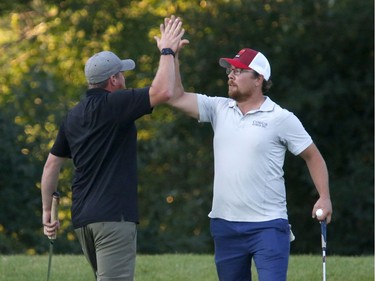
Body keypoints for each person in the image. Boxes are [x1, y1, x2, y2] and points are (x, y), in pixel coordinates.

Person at [168, 46, 333, 280]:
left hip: (268, 227)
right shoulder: (219, 108)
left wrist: (324, 196)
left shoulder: (280, 118)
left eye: (239, 70)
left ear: (259, 79)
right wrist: (171, 55)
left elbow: (313, 156)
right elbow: (175, 97)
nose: (230, 75)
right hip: (225, 224)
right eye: (230, 71)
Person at [41, 16, 185, 281]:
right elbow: (163, 92)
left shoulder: (73, 115)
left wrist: (47, 213)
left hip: (84, 220)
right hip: (112, 219)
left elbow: (51, 165)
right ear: (113, 80)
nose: (124, 78)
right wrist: (166, 51)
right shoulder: (116, 105)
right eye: (122, 74)